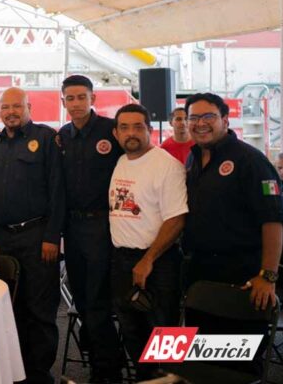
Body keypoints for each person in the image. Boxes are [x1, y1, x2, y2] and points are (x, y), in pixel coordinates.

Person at [182, 93, 283, 371]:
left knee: (238, 363)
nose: (200, 123)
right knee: (204, 359)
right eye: (194, 118)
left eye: (209, 117)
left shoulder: (251, 161)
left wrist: (268, 276)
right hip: (201, 274)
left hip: (244, 275)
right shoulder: (193, 161)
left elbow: (273, 220)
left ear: (225, 120)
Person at [0, 87, 64, 384]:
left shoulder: (45, 139)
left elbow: (58, 191)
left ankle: (39, 376)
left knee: (40, 311)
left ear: (29, 107)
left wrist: (53, 236)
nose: (11, 112)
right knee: (9, 311)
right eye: (6, 107)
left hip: (38, 236)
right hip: (2, 241)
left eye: (17, 106)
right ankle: (14, 372)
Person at [108, 103, 187, 381]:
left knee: (164, 339)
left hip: (158, 262)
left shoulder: (167, 165)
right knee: (133, 333)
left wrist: (148, 260)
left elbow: (176, 219)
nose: (132, 133)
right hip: (123, 261)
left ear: (150, 130)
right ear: (116, 133)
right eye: (125, 127)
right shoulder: (121, 161)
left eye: (138, 126)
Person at [57, 75, 124, 382]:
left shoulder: (112, 131)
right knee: (81, 300)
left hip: (102, 226)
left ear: (92, 99)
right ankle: (102, 359)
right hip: (72, 227)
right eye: (70, 98)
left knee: (98, 301)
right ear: (63, 102)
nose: (76, 103)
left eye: (81, 97)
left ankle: (106, 371)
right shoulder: (63, 136)